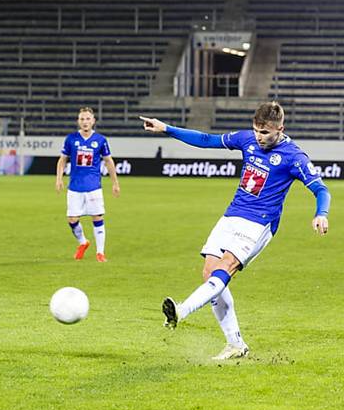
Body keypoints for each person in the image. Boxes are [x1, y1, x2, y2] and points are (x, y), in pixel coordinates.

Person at [140, 101, 330, 360]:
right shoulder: (246, 139)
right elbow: (207, 140)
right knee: (209, 272)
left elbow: (321, 189)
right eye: (256, 131)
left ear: (280, 129)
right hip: (232, 215)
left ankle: (182, 311)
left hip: (259, 223)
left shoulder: (294, 157)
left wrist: (321, 213)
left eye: (265, 133)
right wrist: (166, 128)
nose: (259, 138)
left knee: (226, 266)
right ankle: (236, 344)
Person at [56, 107, 121, 262]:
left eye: (88, 119)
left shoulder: (100, 140)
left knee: (97, 216)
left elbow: (109, 161)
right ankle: (83, 242)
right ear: (78, 121)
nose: (85, 122)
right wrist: (59, 178)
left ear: (93, 121)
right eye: (82, 119)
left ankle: (100, 252)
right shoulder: (71, 139)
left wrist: (115, 183)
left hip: (93, 187)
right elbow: (62, 160)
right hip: (75, 187)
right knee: (72, 219)